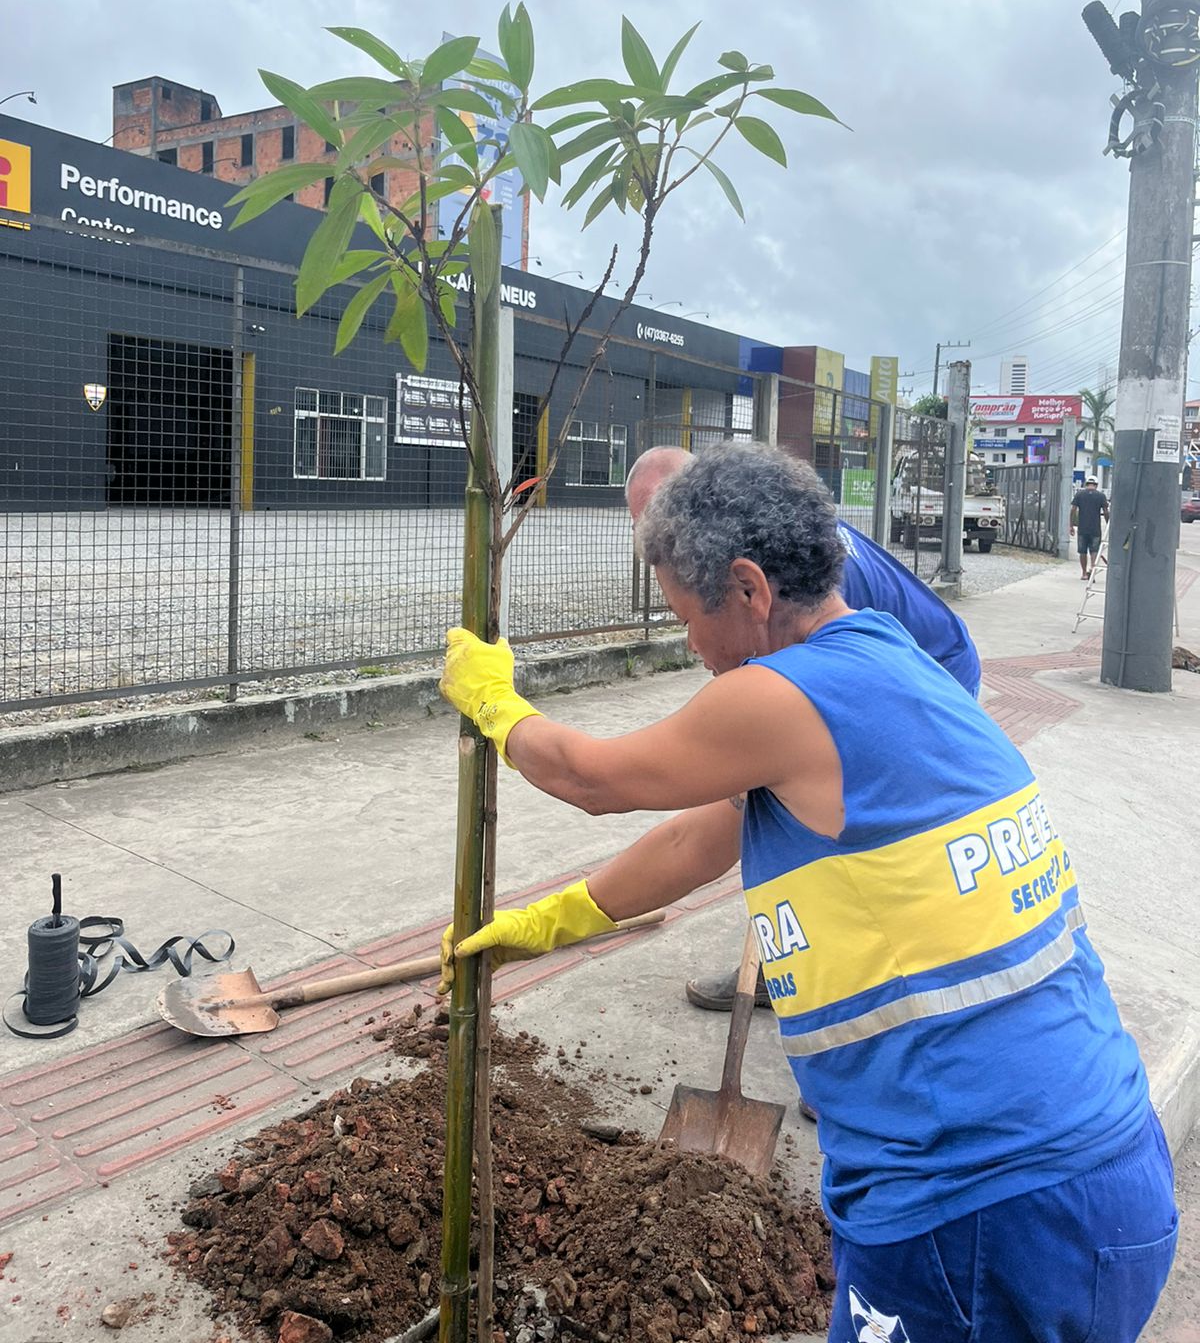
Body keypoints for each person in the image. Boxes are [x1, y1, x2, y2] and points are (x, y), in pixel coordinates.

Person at [439, 442, 1176, 1343]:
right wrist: (554, 921)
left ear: (749, 590)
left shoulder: (780, 699)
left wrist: (498, 705)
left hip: (978, 1199)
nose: (689, 644)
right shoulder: (887, 663)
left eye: (685, 616)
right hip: (1105, 1171)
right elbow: (693, 839)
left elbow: (595, 779)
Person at [627, 445, 981, 1014]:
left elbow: (800, 716)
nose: (659, 548)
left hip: (937, 665)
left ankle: (866, 1004)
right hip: (897, 663)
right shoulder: (769, 539)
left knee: (845, 834)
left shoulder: (818, 593)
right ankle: (793, 964)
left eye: (664, 524)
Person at [1070, 476, 1109, 580]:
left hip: (1082, 528)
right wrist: (1108, 524)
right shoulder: (1101, 496)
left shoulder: (1079, 494)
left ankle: (1083, 573)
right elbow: (1105, 511)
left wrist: (1071, 525)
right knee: (1094, 550)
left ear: (1086, 484)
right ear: (1096, 485)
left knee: (1082, 551)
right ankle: (1092, 569)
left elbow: (1073, 510)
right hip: (1095, 528)